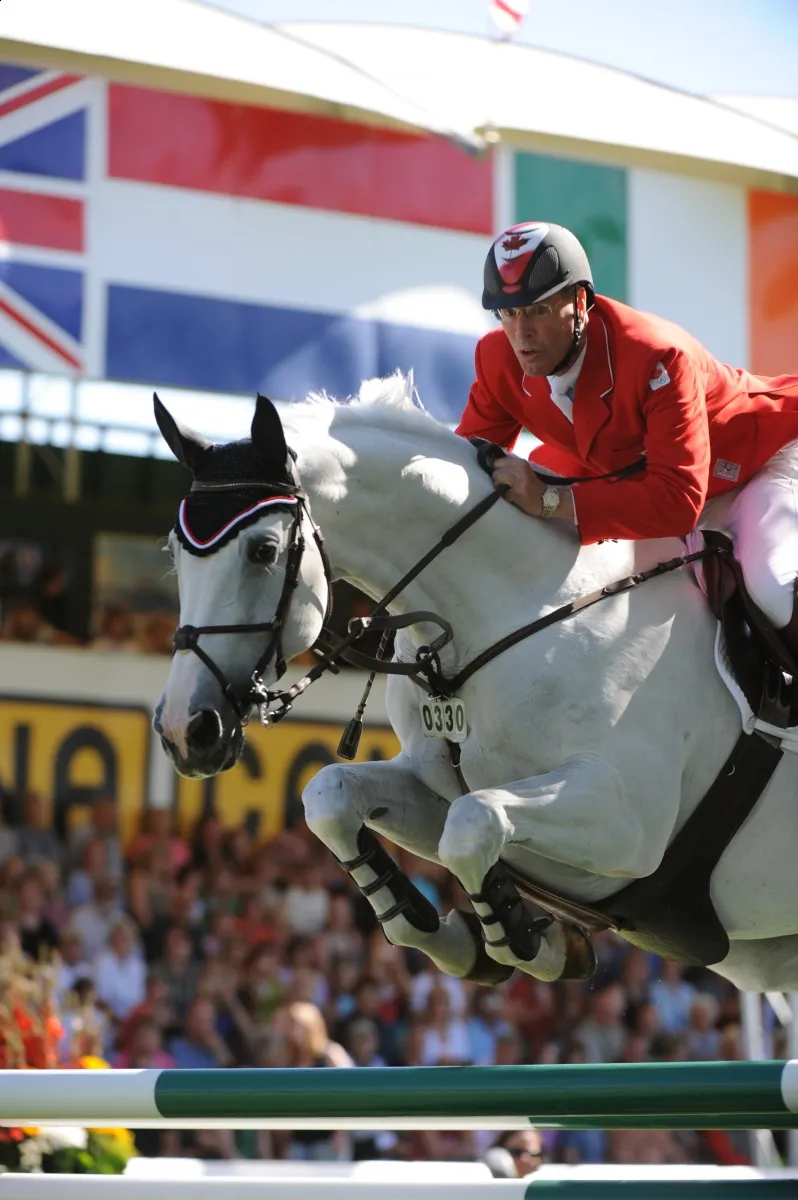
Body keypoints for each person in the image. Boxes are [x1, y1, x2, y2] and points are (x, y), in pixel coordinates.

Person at [456, 222, 798, 655]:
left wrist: (550, 500)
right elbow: (465, 464)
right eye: (509, 313)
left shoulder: (655, 356)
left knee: (772, 584)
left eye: (539, 310)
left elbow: (676, 500)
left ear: (580, 301)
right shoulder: (496, 359)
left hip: (762, 459)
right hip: (668, 489)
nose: (522, 334)